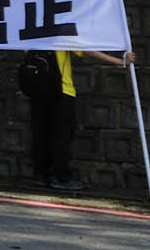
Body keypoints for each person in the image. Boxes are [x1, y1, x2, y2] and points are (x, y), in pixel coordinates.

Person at [31, 49, 135, 191]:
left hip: (37, 90)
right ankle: (60, 177)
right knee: (62, 136)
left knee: (40, 134)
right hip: (62, 91)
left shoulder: (30, 38)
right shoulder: (62, 37)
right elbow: (89, 51)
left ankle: (41, 175)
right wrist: (121, 61)